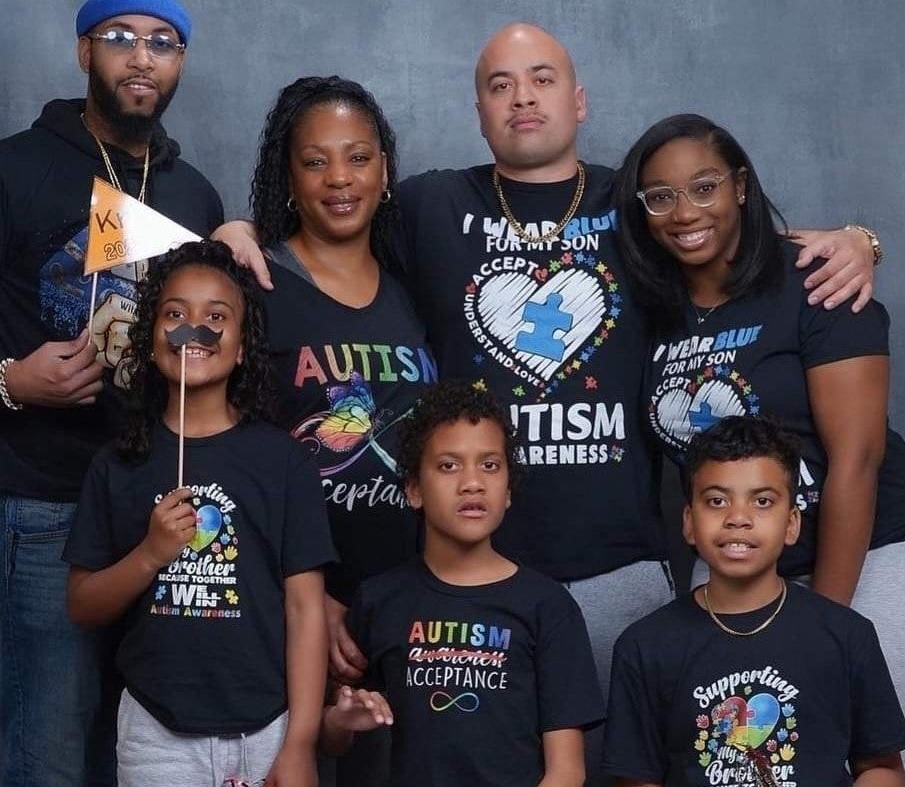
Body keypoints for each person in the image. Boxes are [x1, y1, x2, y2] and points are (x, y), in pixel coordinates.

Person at [215, 24, 877, 763]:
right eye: (500, 85)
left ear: (579, 100)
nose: (521, 97)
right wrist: (237, 231)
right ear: (477, 109)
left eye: (541, 78)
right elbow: (330, 214)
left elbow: (724, 234)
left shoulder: (632, 205)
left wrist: (853, 239)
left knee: (629, 767)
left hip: (620, 572)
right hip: (472, 574)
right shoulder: (429, 207)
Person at [0, 0, 224, 786]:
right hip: (45, 508)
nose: (142, 58)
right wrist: (6, 377)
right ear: (84, 50)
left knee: (145, 755)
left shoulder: (190, 191)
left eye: (162, 43)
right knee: (52, 755)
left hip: (158, 508)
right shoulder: (3, 172)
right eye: (120, 37)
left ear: (179, 64)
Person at [615, 113, 905, 706]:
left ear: (740, 187)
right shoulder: (654, 311)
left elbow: (858, 458)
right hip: (736, 555)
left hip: (868, 551)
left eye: (704, 187)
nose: (686, 212)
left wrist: (820, 622)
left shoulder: (812, 281)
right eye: (661, 197)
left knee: (855, 736)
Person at [63, 240, 336, 787]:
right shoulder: (119, 464)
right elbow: (82, 606)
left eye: (216, 316)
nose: (195, 330)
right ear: (152, 338)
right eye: (175, 314)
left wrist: (301, 741)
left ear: (241, 347)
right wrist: (150, 554)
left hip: (268, 725)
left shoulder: (282, 461)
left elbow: (307, 610)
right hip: (156, 730)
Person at [252, 76, 437, 785]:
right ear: (288, 175)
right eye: (315, 160)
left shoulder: (412, 287)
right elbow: (232, 459)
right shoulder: (259, 285)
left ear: (384, 171)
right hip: (295, 602)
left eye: (357, 157)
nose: (339, 179)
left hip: (407, 601)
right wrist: (309, 595)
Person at [323, 379, 603, 787]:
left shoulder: (548, 607)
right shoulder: (380, 599)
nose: (472, 482)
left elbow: (567, 772)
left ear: (508, 489)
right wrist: (341, 719)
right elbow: (332, 744)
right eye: (449, 465)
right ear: (415, 490)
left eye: (489, 465)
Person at [602, 416, 905, 786]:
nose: (738, 518)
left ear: (791, 523)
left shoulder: (846, 635)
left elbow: (882, 766)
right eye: (716, 501)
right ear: (688, 523)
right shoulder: (644, 646)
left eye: (762, 501)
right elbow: (636, 779)